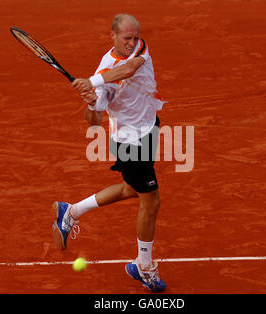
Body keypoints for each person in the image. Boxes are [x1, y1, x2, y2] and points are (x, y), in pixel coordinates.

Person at [51, 13, 166, 293]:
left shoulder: (138, 50)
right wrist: (91, 103)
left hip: (149, 127)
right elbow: (94, 122)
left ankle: (72, 211)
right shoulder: (103, 69)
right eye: (126, 38)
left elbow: (128, 69)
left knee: (131, 189)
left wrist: (92, 82)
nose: (132, 43)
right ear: (112, 36)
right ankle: (144, 266)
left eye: (134, 37)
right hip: (129, 141)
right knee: (151, 202)